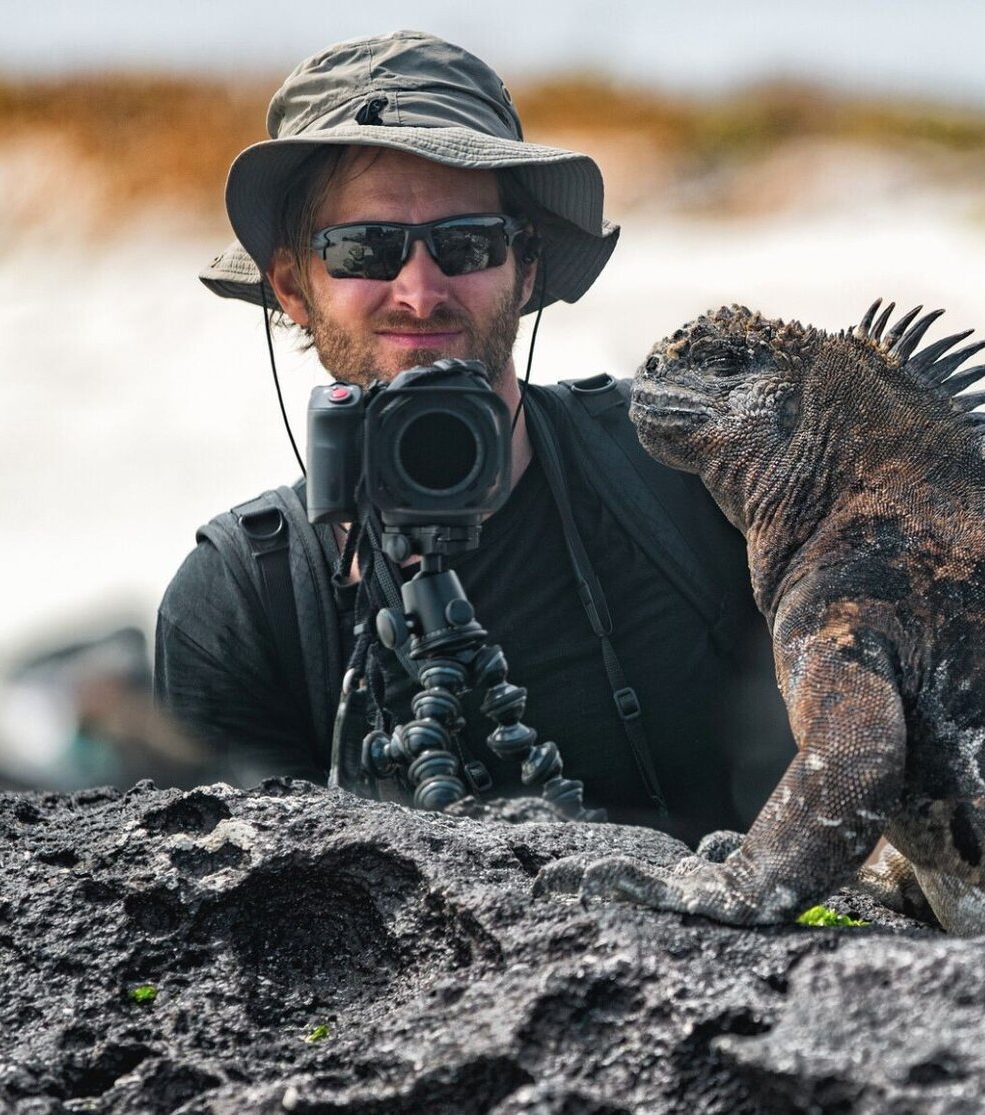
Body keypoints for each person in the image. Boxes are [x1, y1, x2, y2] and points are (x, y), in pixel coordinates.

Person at [155, 31, 793, 845]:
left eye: (467, 244)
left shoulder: (688, 472)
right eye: (364, 249)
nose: (420, 292)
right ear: (292, 287)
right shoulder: (244, 603)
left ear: (525, 267)